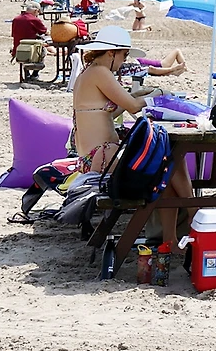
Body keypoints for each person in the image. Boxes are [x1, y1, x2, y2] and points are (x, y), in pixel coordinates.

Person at [72, 26, 193, 253]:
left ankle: (171, 239)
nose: (124, 61)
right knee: (170, 161)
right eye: (124, 55)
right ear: (111, 53)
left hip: (94, 156)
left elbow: (110, 111)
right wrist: (156, 95)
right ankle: (193, 213)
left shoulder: (89, 72)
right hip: (101, 156)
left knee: (167, 168)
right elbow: (133, 107)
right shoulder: (101, 72)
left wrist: (138, 94)